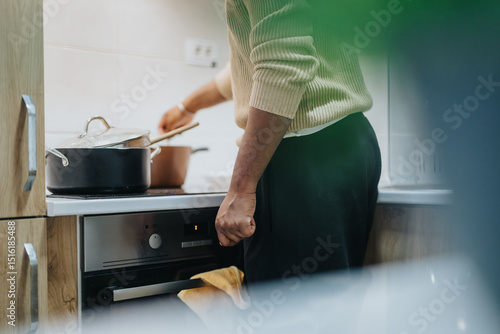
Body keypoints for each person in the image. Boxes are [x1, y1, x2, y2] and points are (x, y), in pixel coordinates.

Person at [158, 0, 381, 285]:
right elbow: (252, 65)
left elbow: (281, 64)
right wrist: (187, 107)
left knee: (295, 314)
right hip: (341, 145)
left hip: (305, 155)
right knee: (327, 302)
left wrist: (241, 189)